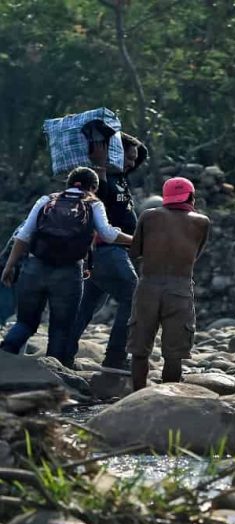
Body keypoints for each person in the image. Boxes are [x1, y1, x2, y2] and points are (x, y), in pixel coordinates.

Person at [0, 167, 132, 365]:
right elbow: (108, 234)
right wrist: (136, 239)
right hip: (68, 273)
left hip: (34, 268)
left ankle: (4, 360)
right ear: (94, 187)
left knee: (25, 322)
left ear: (68, 183)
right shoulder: (93, 203)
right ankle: (54, 375)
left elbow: (24, 235)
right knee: (61, 328)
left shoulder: (47, 200)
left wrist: (9, 266)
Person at [68, 133, 148, 373]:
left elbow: (141, 154)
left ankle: (61, 352)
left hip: (104, 255)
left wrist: (121, 140)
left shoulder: (121, 177)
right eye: (128, 157)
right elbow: (95, 197)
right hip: (108, 251)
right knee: (134, 295)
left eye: (134, 160)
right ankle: (115, 357)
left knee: (86, 306)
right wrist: (102, 160)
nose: (132, 163)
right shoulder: (100, 178)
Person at [128, 177, 210, 390]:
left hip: (148, 286)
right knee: (174, 354)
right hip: (180, 288)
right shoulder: (202, 222)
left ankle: (138, 395)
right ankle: (170, 395)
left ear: (165, 197)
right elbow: (195, 255)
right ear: (191, 196)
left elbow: (135, 251)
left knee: (140, 349)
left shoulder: (148, 216)